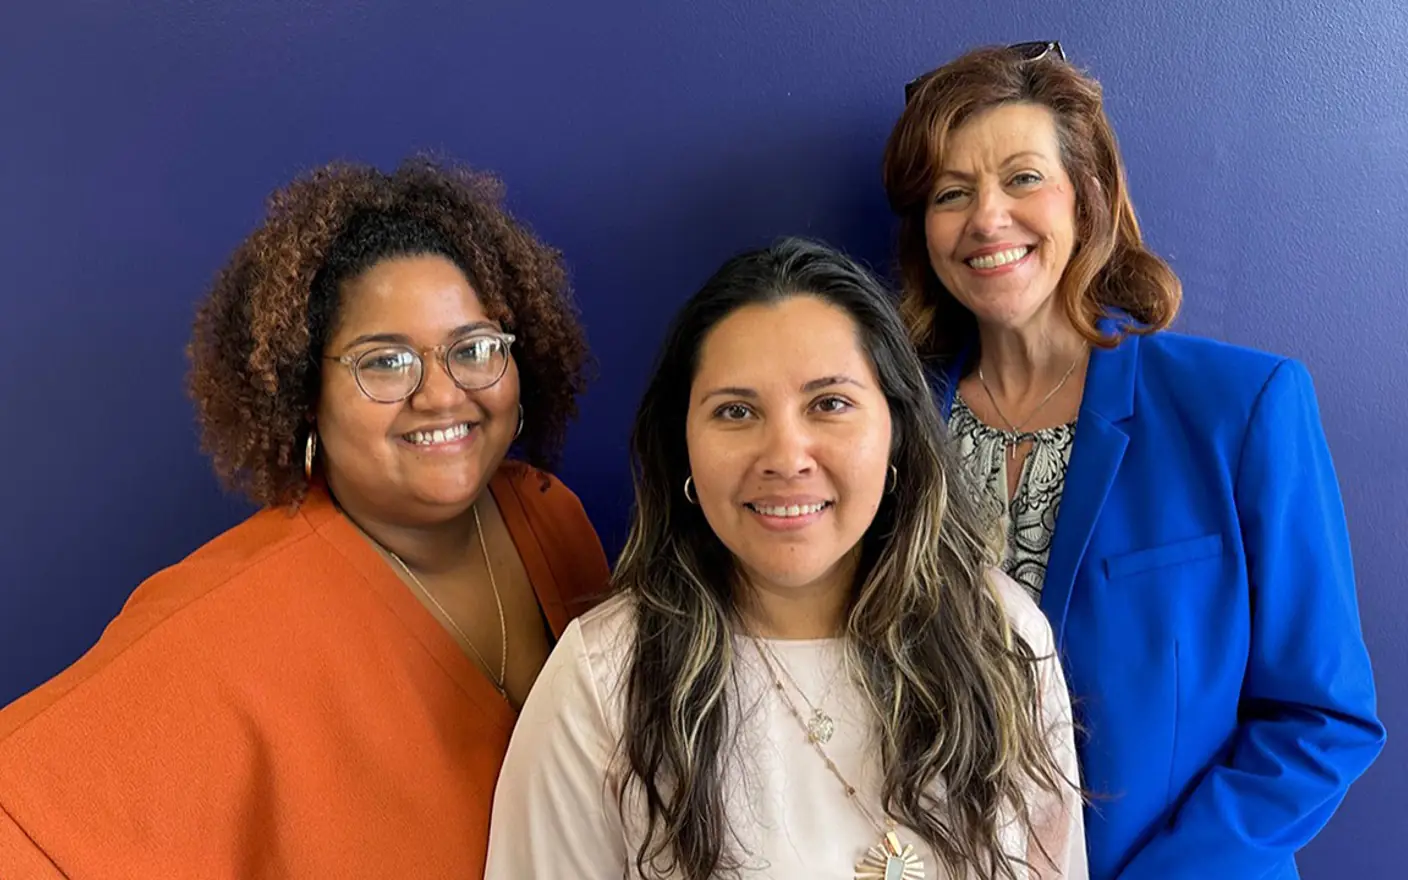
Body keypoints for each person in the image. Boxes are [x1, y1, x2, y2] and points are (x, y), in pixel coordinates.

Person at [0, 156, 608, 879]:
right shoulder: (226, 621)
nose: (443, 395)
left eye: (473, 349)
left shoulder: (549, 517)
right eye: (385, 362)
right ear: (305, 394)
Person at [882, 41, 1385, 879]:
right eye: (951, 192)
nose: (987, 218)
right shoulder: (888, 428)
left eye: (1022, 178)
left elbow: (1323, 720)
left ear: (1087, 196)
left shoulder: (1241, 407)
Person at [484, 237, 1086, 879]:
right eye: (736, 411)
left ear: (896, 431)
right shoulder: (604, 680)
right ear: (683, 446)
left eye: (829, 404)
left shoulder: (1003, 639)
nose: (786, 457)